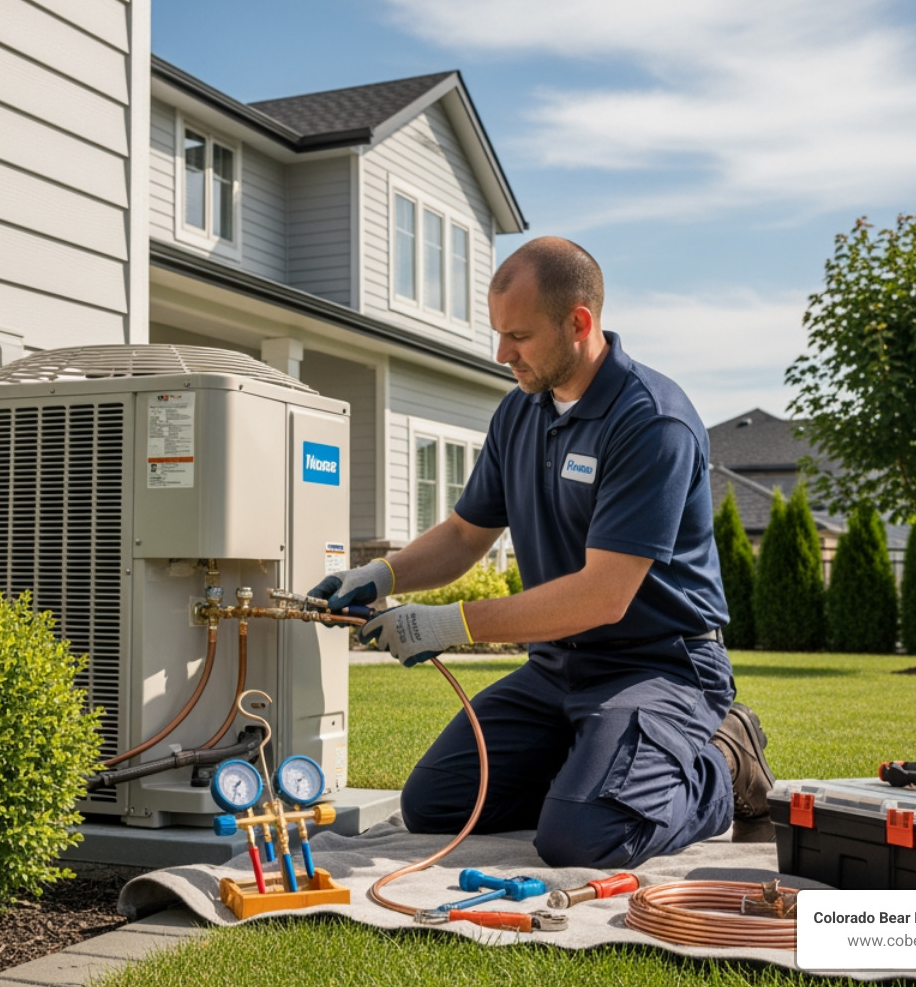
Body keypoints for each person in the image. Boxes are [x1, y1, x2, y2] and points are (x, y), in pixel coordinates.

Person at [310, 237, 775, 868]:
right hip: (558, 668)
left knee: (583, 840)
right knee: (436, 806)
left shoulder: (651, 421)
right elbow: (464, 536)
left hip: (660, 668)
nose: (503, 354)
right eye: (499, 334)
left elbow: (602, 596)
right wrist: (379, 573)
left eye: (519, 337)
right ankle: (596, 769)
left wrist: (445, 624)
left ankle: (724, 757)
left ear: (579, 323)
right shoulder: (518, 414)